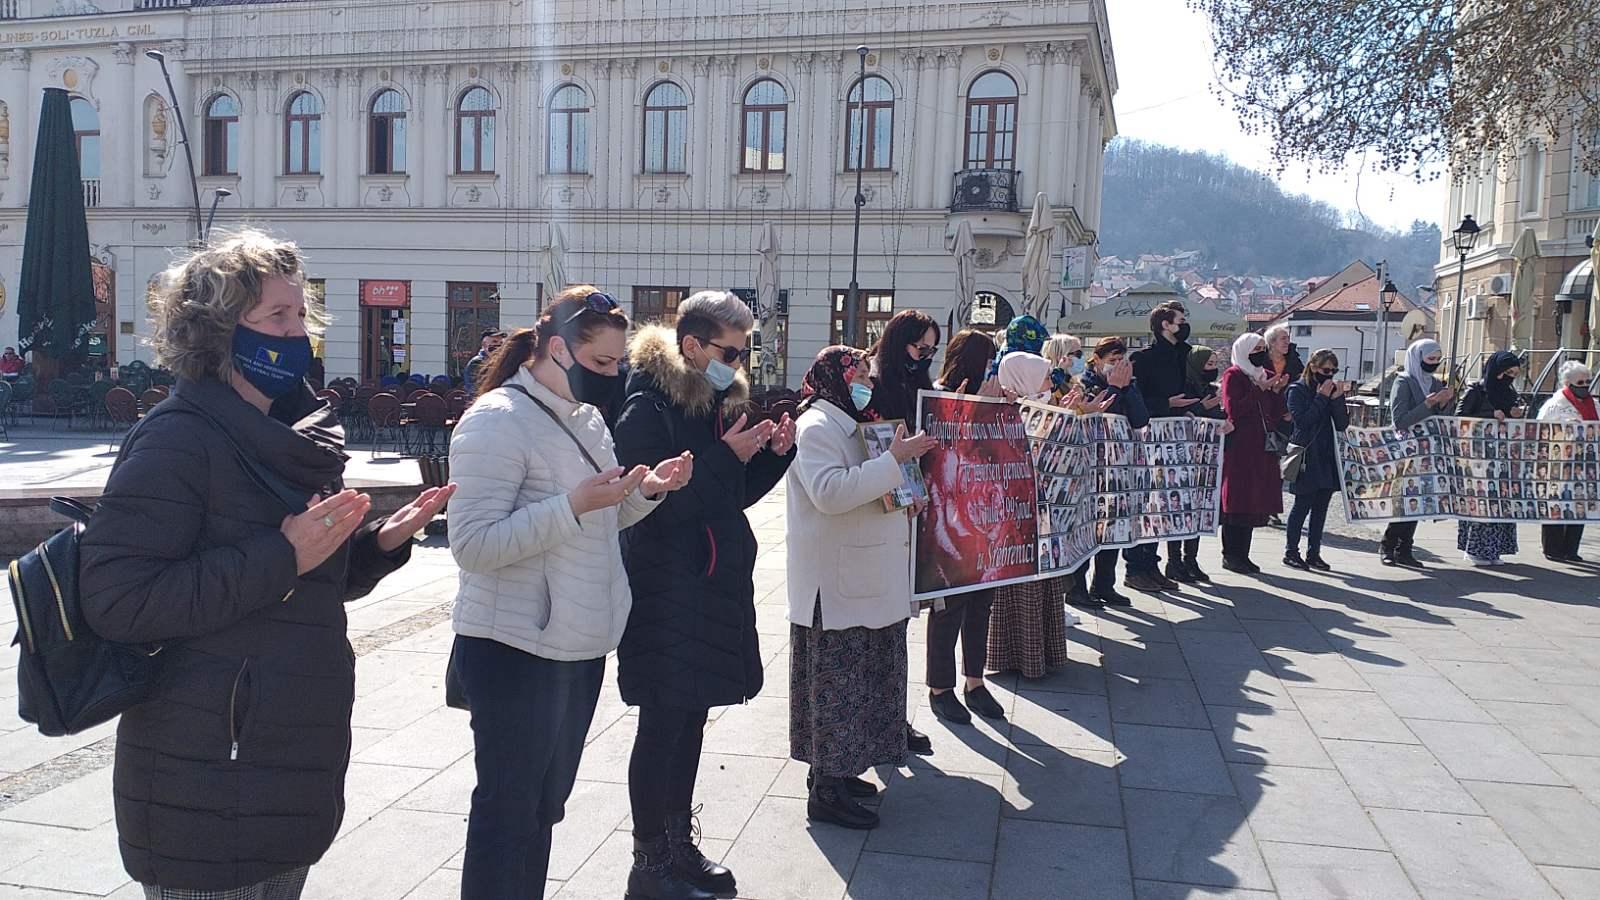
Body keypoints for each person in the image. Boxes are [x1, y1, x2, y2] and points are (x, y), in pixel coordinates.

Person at [78, 230, 452, 899]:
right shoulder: (179, 438)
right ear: (220, 331)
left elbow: (298, 587)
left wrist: (375, 548)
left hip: (281, 762)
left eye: (300, 314)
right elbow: (118, 599)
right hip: (207, 783)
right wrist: (283, 552)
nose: (297, 331)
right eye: (278, 316)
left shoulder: (289, 435)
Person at [446, 288, 693, 899]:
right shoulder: (496, 420)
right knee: (508, 814)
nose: (612, 377)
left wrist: (643, 493)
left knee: (543, 811)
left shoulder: (584, 418)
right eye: (603, 364)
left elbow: (594, 524)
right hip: (512, 649)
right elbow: (473, 544)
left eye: (618, 365)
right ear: (557, 349)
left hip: (575, 646)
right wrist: (574, 503)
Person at [613, 290, 796, 900]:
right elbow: (653, 509)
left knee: (690, 720)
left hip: (710, 581)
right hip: (667, 585)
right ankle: (649, 863)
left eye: (743, 352)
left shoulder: (713, 401)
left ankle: (677, 846)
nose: (736, 364)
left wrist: (771, 457)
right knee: (663, 723)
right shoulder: (647, 405)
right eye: (727, 350)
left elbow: (727, 494)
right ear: (690, 345)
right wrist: (725, 455)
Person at [786, 346, 936, 829]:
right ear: (839, 376)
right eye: (863, 375)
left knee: (865, 683)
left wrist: (908, 493)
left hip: (867, 579)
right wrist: (894, 462)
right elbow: (830, 493)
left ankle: (842, 772)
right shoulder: (816, 428)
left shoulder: (858, 422)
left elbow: (878, 485)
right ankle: (825, 789)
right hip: (837, 587)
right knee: (838, 687)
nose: (869, 383)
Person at [924, 330, 1008, 724]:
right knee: (949, 607)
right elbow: (940, 448)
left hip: (985, 518)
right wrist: (975, 409)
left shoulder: (992, 393)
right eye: (987, 359)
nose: (991, 367)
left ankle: (975, 681)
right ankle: (940, 688)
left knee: (981, 605)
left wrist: (1000, 411)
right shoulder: (938, 393)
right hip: (949, 517)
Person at [986, 349, 1076, 678]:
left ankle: (1040, 650)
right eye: (1043, 375)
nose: (1050, 381)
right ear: (1023, 378)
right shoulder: (1005, 414)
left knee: (1041, 582)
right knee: (1019, 586)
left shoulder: (1038, 409)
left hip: (1039, 516)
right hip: (1014, 518)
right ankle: (1017, 654)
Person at [1128, 302, 1198, 588]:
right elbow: (1136, 398)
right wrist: (1167, 404)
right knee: (1145, 500)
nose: (1184, 324)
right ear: (1165, 325)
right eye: (1180, 320)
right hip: (1150, 434)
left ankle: (1152, 564)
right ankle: (1135, 567)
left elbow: (1189, 389)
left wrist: (1189, 408)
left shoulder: (1184, 354)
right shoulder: (1143, 358)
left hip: (1174, 433)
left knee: (1163, 502)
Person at [1072, 336, 1145, 605]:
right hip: (1090, 466)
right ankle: (1076, 587)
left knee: (1112, 526)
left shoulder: (1128, 384)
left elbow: (1140, 418)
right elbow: (1097, 417)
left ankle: (1104, 584)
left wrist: (1126, 389)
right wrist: (1114, 388)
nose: (1116, 366)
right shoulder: (1085, 384)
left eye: (1120, 361)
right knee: (1087, 527)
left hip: (1119, 466)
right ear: (1097, 360)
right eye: (1111, 361)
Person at [1219, 332, 1285, 574]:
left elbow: (1275, 412)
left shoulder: (1264, 375)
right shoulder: (1234, 375)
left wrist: (1276, 392)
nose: (1260, 353)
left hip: (1261, 449)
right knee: (1237, 501)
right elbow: (1233, 409)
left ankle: (1244, 554)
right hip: (1239, 449)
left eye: (1262, 348)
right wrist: (1259, 389)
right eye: (1255, 348)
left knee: (1253, 502)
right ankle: (1230, 554)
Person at [1282, 349, 1350, 570]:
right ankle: (1291, 551)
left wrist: (1338, 400)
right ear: (1313, 367)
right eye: (1325, 370)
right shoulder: (1297, 389)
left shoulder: (1331, 390)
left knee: (1321, 508)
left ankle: (1314, 552)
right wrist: (1321, 398)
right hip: (1306, 455)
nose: (1329, 374)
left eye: (1333, 370)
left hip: (1327, 455)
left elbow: (1342, 424)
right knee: (1302, 505)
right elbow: (1302, 422)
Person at [1456, 351, 1525, 566]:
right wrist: (1488, 417)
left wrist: (1515, 414)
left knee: (1501, 503)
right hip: (1478, 458)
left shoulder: (1510, 392)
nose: (1509, 378)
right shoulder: (1476, 390)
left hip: (1502, 458)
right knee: (1482, 503)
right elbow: (1459, 419)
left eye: (1514, 374)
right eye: (1507, 373)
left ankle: (1495, 550)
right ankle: (1475, 549)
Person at [1170, 347, 1226, 580]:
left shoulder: (1211, 389)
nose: (1212, 369)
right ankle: (1174, 562)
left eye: (1215, 364)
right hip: (1183, 458)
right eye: (1208, 364)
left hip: (1206, 459)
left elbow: (1218, 417)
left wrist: (1224, 420)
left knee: (1198, 509)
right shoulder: (1183, 387)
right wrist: (1203, 408)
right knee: (1179, 509)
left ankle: (1191, 559)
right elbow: (1181, 416)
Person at [1537, 361, 1596, 562]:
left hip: (1584, 464)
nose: (1585, 386)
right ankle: (1553, 547)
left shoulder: (1594, 405)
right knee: (1556, 503)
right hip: (1558, 463)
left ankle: (1571, 548)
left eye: (1588, 382)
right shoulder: (1555, 405)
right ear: (1568, 383)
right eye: (1580, 382)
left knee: (1580, 504)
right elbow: (1540, 430)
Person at [865, 309, 940, 421]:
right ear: (900, 344)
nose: (927, 357)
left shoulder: (917, 380)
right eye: (923, 350)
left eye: (931, 351)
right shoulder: (872, 381)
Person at [464, 329, 506, 395]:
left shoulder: (503, 363)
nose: (498, 346)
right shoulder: (476, 363)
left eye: (501, 343)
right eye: (494, 342)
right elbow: (474, 390)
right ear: (484, 345)